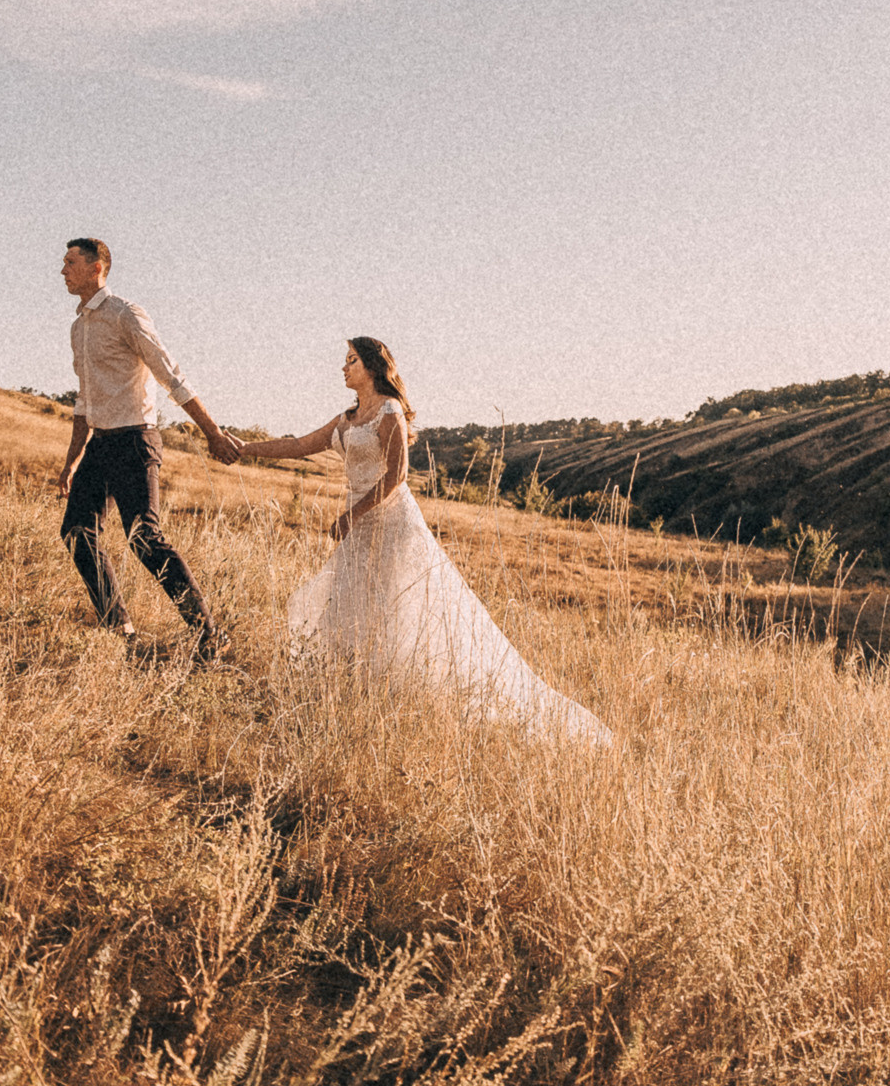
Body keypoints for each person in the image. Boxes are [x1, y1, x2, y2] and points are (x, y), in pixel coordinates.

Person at [234, 337, 612, 745]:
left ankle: (399, 701)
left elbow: (397, 475)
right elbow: (297, 446)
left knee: (396, 611)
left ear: (374, 367)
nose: (343, 368)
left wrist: (353, 513)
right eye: (345, 361)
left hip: (390, 524)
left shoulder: (389, 412)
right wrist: (240, 449)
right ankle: (355, 697)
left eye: (351, 361)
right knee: (351, 607)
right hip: (358, 527)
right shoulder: (346, 419)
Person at [57, 237, 239, 657]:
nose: (62, 270)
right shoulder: (78, 327)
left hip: (134, 440)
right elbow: (84, 400)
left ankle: (209, 633)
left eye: (70, 262)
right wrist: (71, 462)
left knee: (144, 538)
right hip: (99, 446)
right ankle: (118, 627)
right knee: (76, 531)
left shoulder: (125, 315)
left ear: (96, 267)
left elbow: (170, 375)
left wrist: (212, 433)